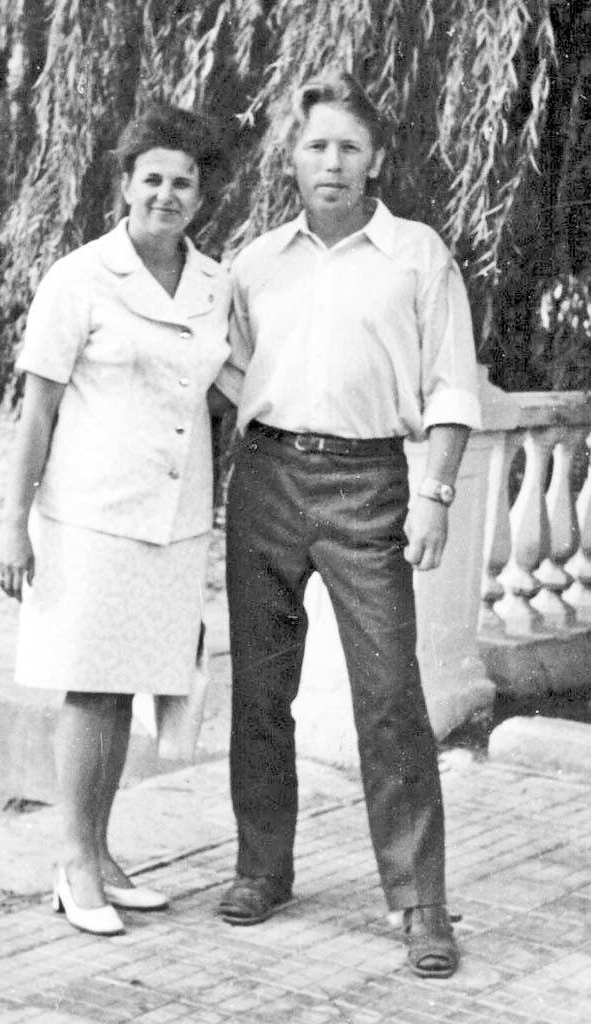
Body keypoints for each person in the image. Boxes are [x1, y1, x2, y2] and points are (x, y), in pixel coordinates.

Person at [214, 72, 481, 979]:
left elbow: (451, 383)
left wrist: (435, 492)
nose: (332, 162)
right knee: (260, 690)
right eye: (317, 145)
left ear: (376, 161)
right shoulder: (257, 262)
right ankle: (262, 868)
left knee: (390, 697)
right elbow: (227, 369)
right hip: (266, 480)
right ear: (292, 159)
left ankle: (420, 903)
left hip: (369, 485)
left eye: (349, 147)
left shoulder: (416, 255)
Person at [0, 104, 230, 936]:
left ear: (201, 194)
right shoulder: (80, 277)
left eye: (184, 181)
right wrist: (12, 525)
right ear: (126, 184)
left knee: (129, 684)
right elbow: (37, 413)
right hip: (90, 515)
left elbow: (228, 391)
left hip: (175, 517)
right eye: (152, 178)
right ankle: (73, 861)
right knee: (93, 686)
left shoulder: (215, 283)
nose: (167, 194)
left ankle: (99, 850)